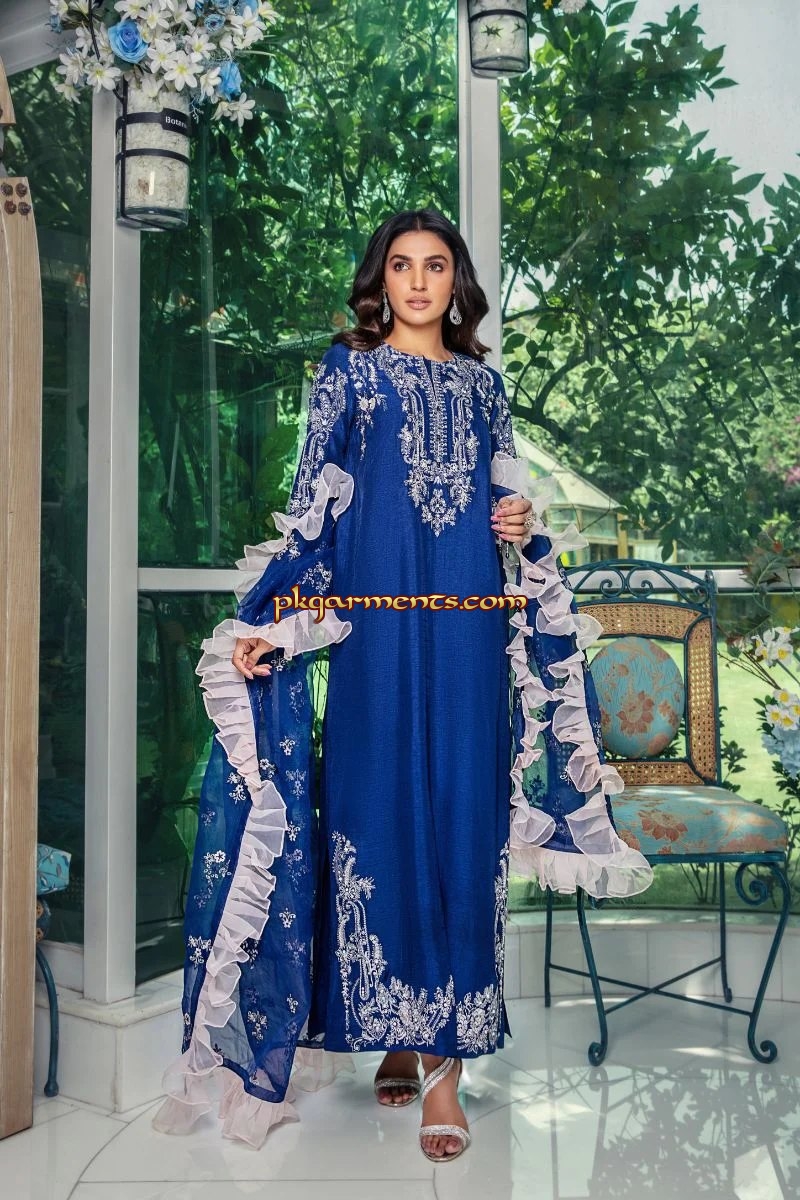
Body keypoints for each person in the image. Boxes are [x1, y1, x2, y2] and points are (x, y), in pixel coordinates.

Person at [152, 208, 653, 1162]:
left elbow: (508, 503)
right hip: (376, 646)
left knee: (462, 830)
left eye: (435, 265)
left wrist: (518, 519)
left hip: (468, 642)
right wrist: (267, 622)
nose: (418, 282)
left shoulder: (485, 387)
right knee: (375, 826)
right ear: (379, 280)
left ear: (456, 282)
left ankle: (445, 1071)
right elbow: (313, 509)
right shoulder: (347, 373)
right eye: (400, 265)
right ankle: (393, 1028)